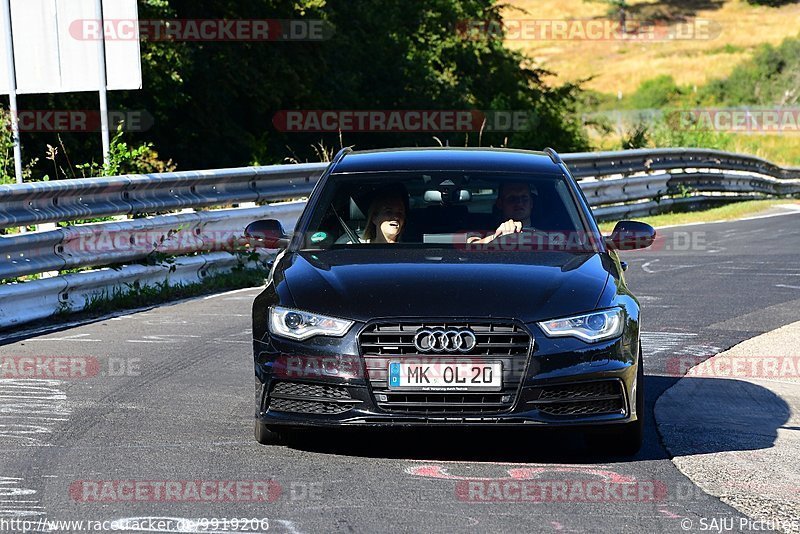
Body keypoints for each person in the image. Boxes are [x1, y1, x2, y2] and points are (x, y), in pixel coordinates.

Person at [468, 182, 534, 244]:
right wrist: (497, 237)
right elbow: (469, 246)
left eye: (524, 198)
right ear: (500, 203)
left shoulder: (543, 231)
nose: (519, 203)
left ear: (531, 203)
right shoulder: (481, 232)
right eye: (512, 198)